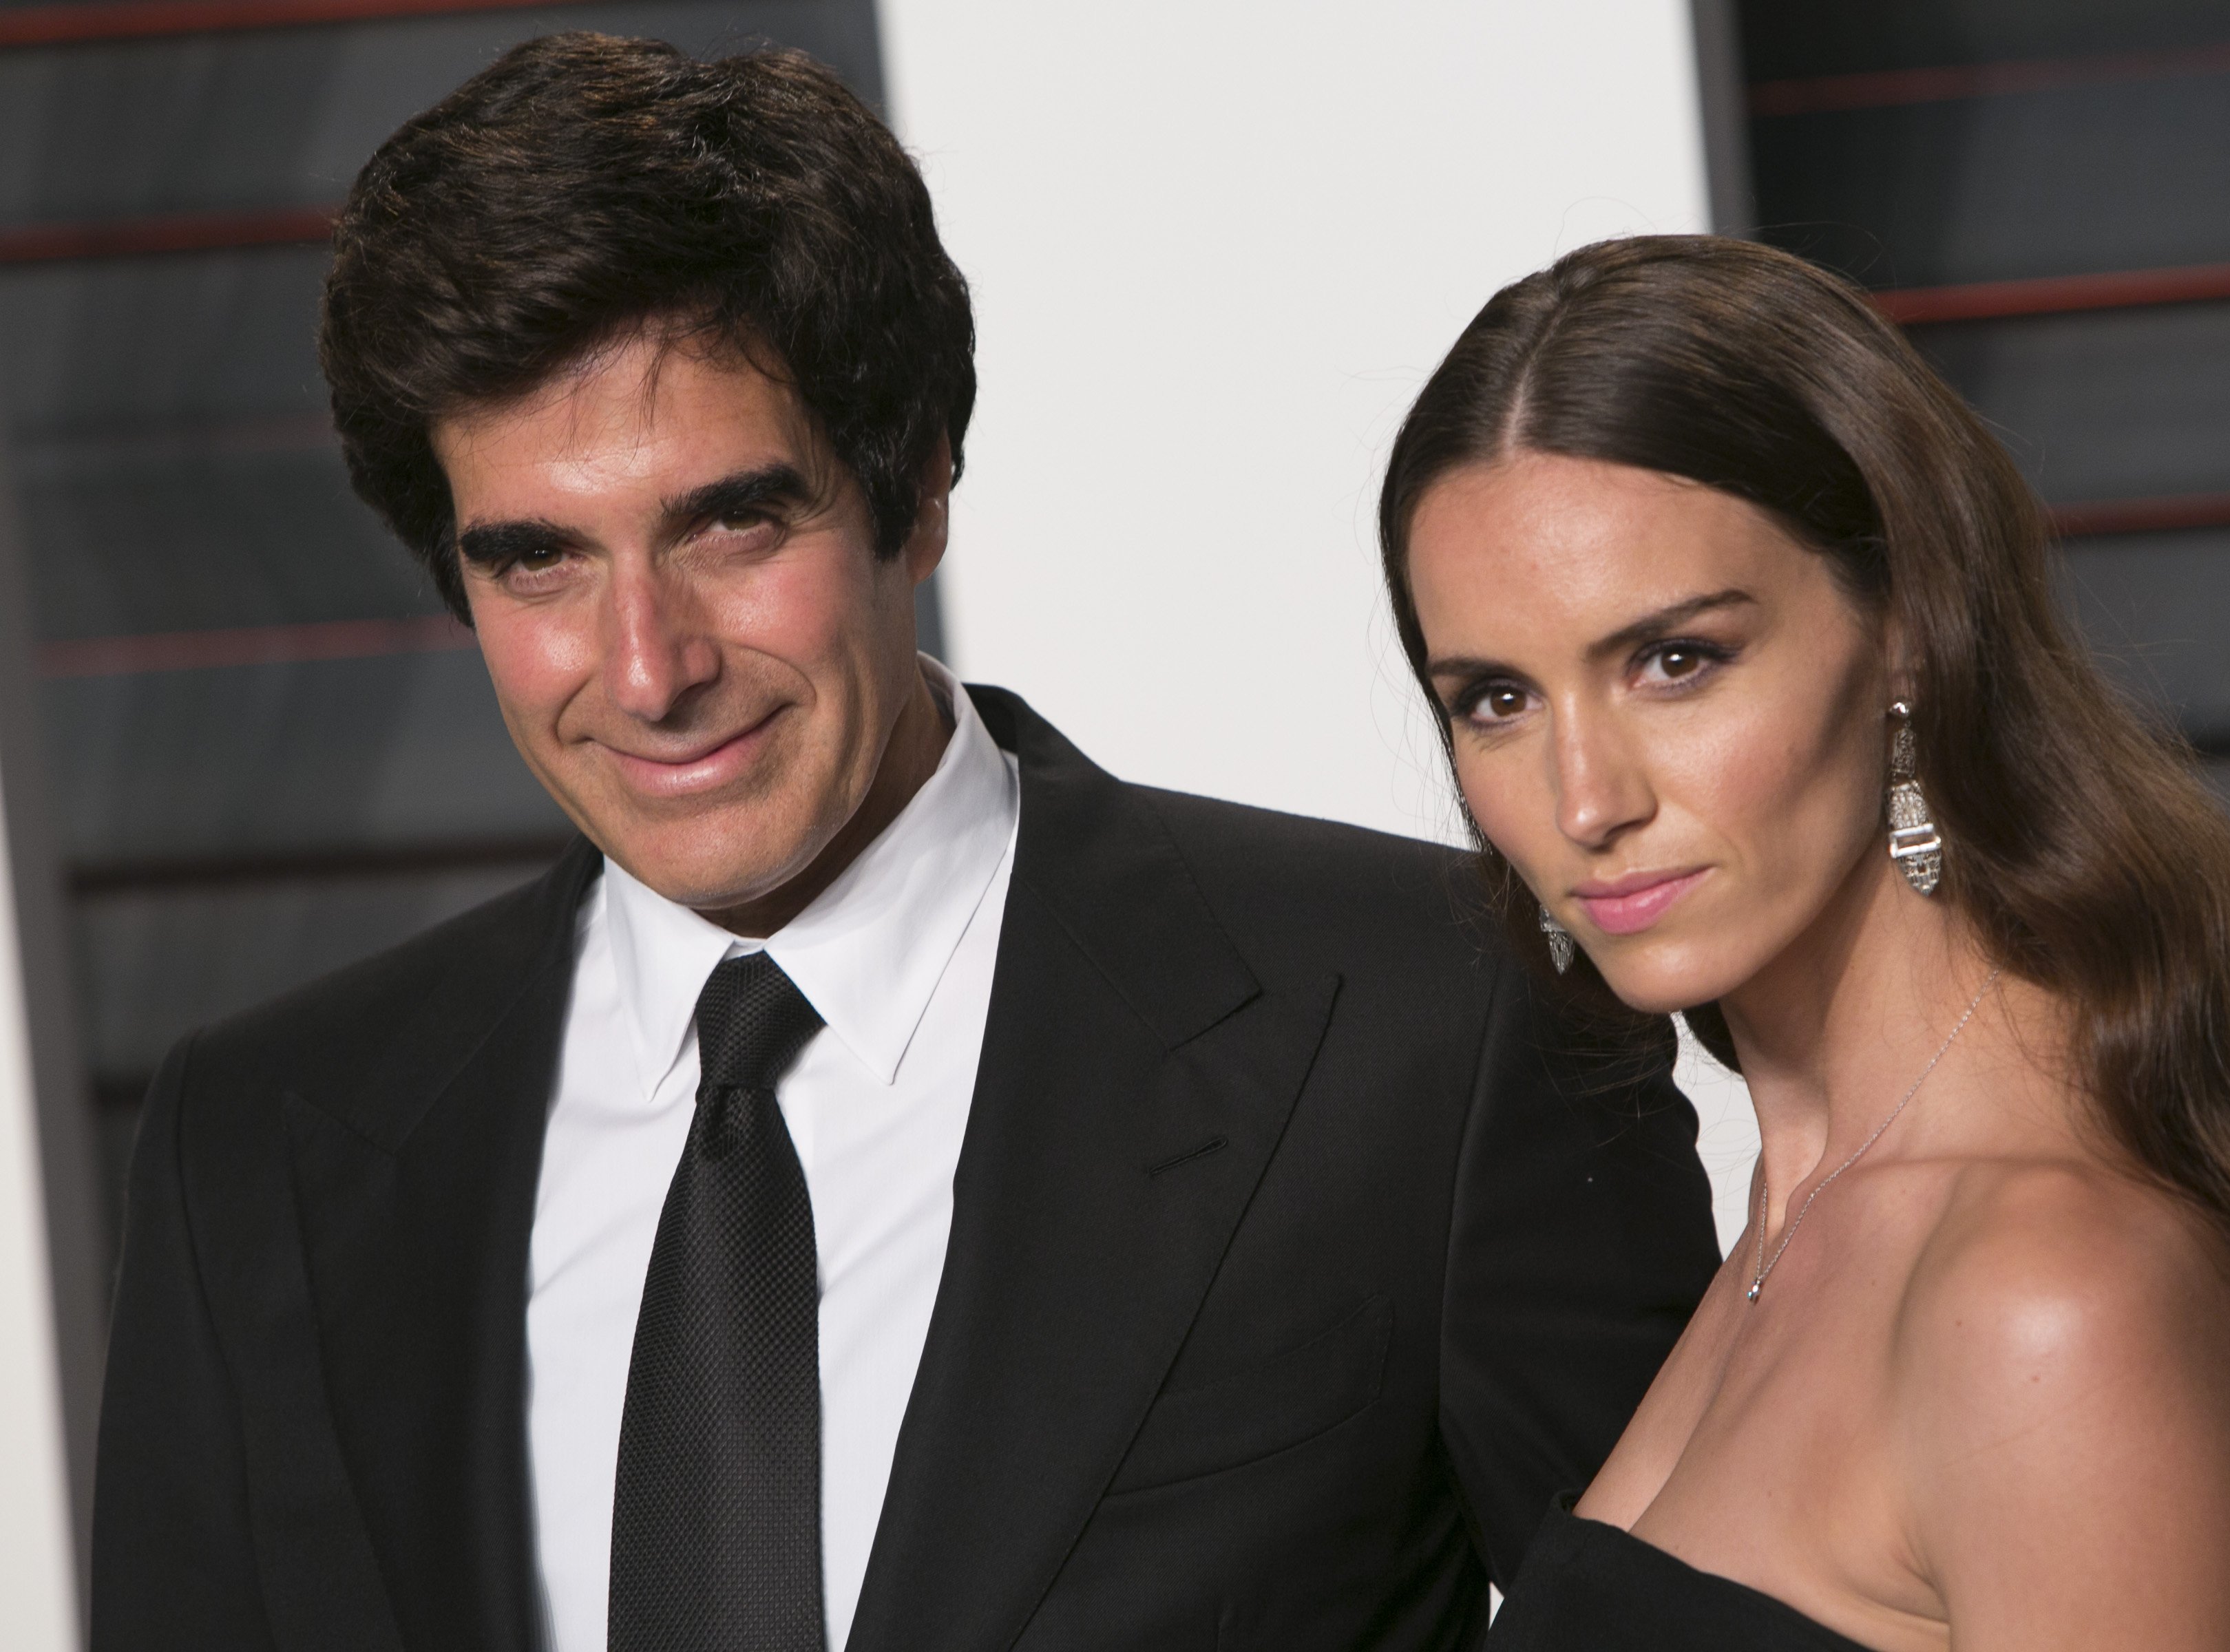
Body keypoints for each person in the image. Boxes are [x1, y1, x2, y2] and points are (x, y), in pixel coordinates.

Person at [87, 36, 1720, 1652]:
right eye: (539, 564)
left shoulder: (1425, 1026)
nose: (648, 669)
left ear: (918, 486)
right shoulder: (264, 1149)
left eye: (731, 524)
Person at [1376, 235, 2230, 1651]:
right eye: (1498, 700)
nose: (1586, 800)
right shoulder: (1805, 1198)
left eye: (1676, 661)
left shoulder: (2047, 1296)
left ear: (1911, 629)